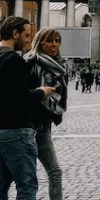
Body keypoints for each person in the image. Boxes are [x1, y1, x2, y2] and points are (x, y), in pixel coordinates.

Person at [0, 16, 54, 200]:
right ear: (15, 34)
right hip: (16, 130)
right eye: (26, 35)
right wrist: (41, 92)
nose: (29, 41)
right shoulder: (14, 60)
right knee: (27, 185)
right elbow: (20, 97)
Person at [24, 28, 68, 200]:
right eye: (50, 41)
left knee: (54, 171)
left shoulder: (59, 65)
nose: (54, 44)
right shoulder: (29, 62)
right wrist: (41, 93)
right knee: (22, 176)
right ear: (40, 41)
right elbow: (22, 94)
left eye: (57, 41)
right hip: (28, 125)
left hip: (44, 124)